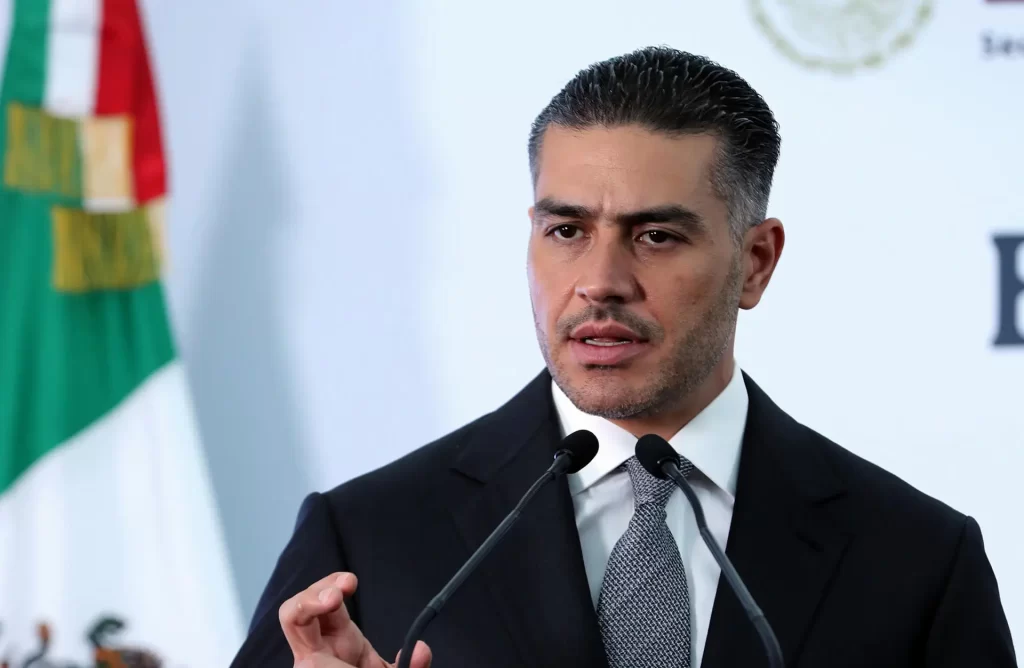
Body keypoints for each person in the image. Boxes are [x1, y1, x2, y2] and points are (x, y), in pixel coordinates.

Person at [230, 47, 1017, 668]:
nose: (600, 281)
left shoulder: (915, 559)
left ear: (756, 263)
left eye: (656, 236)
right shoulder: (365, 538)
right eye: (567, 231)